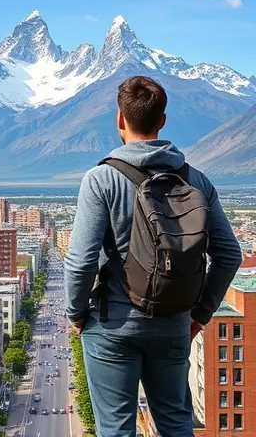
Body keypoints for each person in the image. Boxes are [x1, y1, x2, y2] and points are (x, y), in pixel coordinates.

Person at [64, 76, 242, 437]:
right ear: (162, 121)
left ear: (119, 120)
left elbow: (81, 260)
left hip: (112, 322)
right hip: (174, 321)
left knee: (116, 428)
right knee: (176, 421)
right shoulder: (196, 180)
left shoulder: (101, 179)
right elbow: (229, 255)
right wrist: (200, 314)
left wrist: (77, 313)